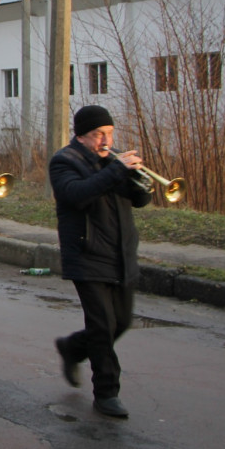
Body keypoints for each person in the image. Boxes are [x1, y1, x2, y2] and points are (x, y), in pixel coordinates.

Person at [50, 105, 151, 420]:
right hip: (87, 254)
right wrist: (116, 170)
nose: (106, 140)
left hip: (120, 253)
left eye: (109, 133)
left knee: (121, 322)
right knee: (103, 325)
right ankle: (107, 392)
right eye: (98, 135)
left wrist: (138, 181)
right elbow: (77, 194)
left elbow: (140, 200)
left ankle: (73, 348)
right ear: (81, 136)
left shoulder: (114, 160)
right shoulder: (65, 161)